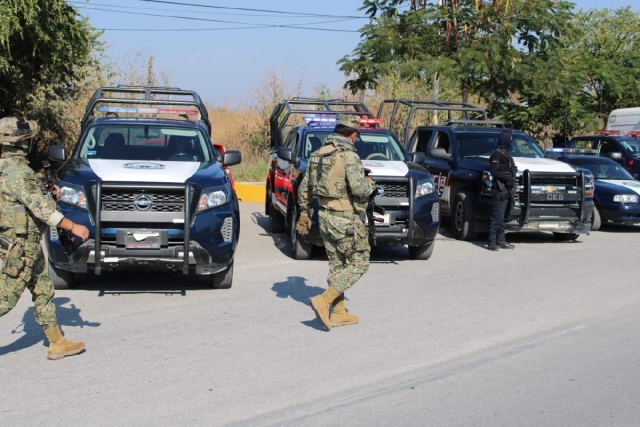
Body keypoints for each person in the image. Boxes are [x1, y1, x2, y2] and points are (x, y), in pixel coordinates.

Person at [0, 116, 90, 360]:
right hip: (20, 247)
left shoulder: (10, 169)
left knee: (43, 290)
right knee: (4, 300)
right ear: (22, 144)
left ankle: (57, 343)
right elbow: (40, 209)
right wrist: (73, 227)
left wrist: (45, 189)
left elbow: (25, 196)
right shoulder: (18, 172)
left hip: (27, 244)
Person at [296, 114, 376, 331]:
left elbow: (304, 189)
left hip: (324, 217)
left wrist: (304, 212)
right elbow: (360, 190)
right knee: (360, 262)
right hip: (345, 219)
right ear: (352, 135)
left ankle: (339, 313)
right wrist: (371, 184)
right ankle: (324, 300)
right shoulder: (349, 156)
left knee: (337, 264)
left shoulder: (317, 155)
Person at [487, 130, 517, 251]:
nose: (511, 140)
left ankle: (501, 240)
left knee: (503, 217)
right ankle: (492, 242)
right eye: (509, 138)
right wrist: (507, 178)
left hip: (506, 189)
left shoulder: (505, 154)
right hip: (499, 188)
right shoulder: (496, 155)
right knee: (496, 217)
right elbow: (494, 171)